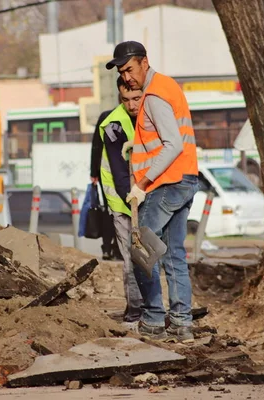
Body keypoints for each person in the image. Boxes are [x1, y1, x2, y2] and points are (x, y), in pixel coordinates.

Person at [107, 41, 199, 343]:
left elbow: (172, 144)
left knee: (141, 250)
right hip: (183, 179)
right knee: (173, 255)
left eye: (130, 69)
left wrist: (141, 184)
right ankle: (182, 324)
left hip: (166, 183)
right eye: (122, 72)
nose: (127, 77)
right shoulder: (166, 86)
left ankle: (153, 319)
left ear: (144, 62)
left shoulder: (156, 94)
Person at [98, 76, 144, 327]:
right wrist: (134, 202)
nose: (131, 104)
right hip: (122, 198)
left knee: (147, 256)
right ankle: (135, 310)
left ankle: (150, 307)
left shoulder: (149, 115)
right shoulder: (114, 124)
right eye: (125, 100)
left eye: (136, 98)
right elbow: (119, 171)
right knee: (131, 256)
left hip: (141, 195)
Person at [90, 111, 121, 261]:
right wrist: (94, 171)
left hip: (106, 172)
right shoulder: (111, 117)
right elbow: (97, 143)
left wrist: (93, 171)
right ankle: (114, 247)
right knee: (117, 210)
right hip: (111, 172)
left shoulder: (105, 116)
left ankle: (109, 247)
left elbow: (96, 145)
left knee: (111, 210)